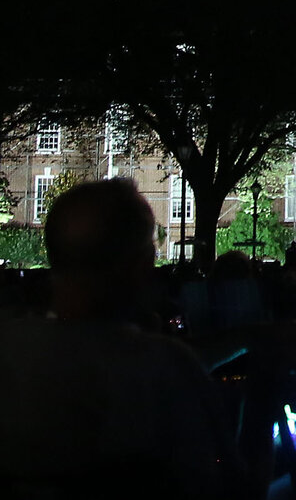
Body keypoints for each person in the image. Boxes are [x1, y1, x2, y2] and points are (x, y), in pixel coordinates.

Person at [0, 177, 248, 498]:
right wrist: (265, 398)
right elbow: (232, 485)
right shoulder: (166, 367)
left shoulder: (10, 350)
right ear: (141, 266)